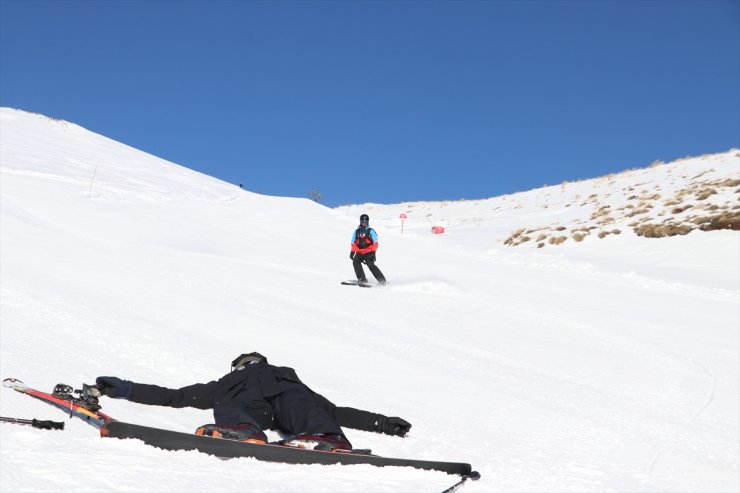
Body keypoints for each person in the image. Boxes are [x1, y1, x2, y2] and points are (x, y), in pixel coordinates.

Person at [95, 352, 411, 450]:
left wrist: (383, 423)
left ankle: (327, 438)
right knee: (227, 405)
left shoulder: (288, 378)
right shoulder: (230, 383)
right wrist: (125, 388)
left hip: (290, 405)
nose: (249, 365)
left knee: (302, 405)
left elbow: (334, 410)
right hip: (251, 410)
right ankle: (245, 431)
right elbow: (177, 396)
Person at [350, 214, 387, 285]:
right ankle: (362, 279)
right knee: (355, 261)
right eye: (363, 221)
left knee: (370, 265)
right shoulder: (357, 232)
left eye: (366, 221)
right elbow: (353, 243)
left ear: (368, 221)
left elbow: (375, 242)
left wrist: (373, 252)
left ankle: (382, 281)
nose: (364, 222)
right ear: (360, 221)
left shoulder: (370, 231)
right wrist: (352, 252)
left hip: (369, 252)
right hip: (360, 252)